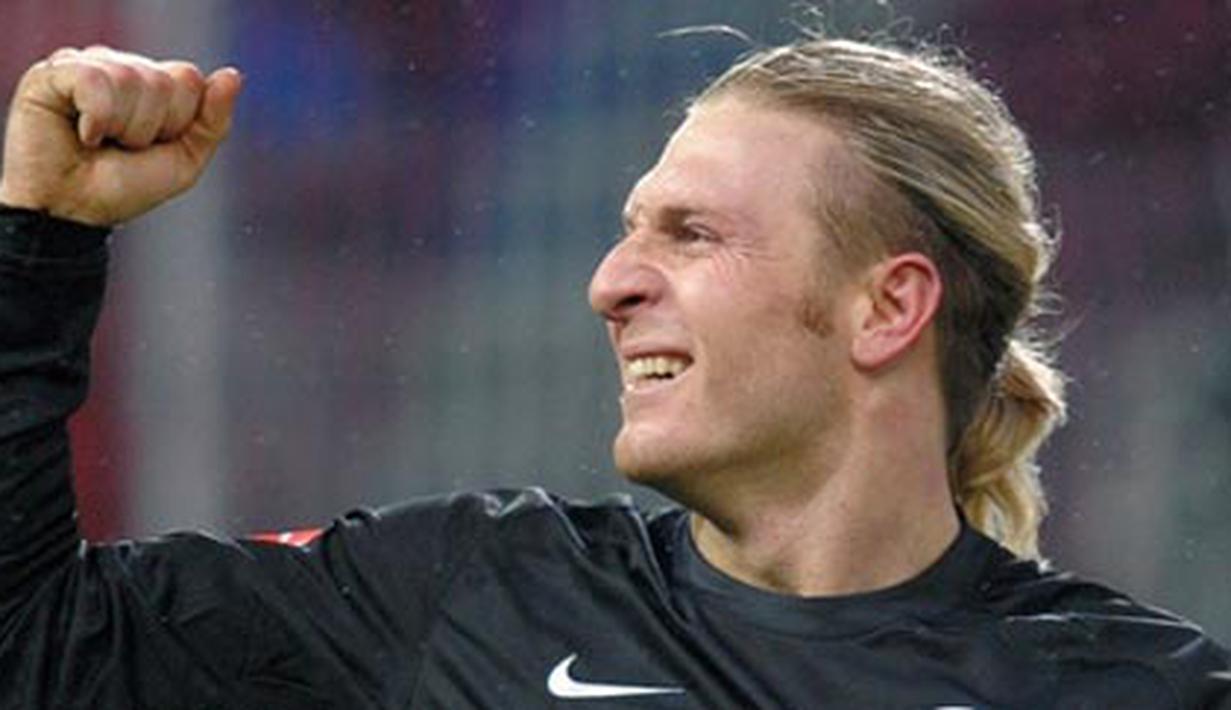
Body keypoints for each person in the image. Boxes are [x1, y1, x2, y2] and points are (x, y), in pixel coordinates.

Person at [0, 38, 1226, 709]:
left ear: (888, 305)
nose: (608, 282)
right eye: (631, 227)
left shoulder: (1129, 687)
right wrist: (37, 240)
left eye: (690, 234)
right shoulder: (467, 591)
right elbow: (35, 647)